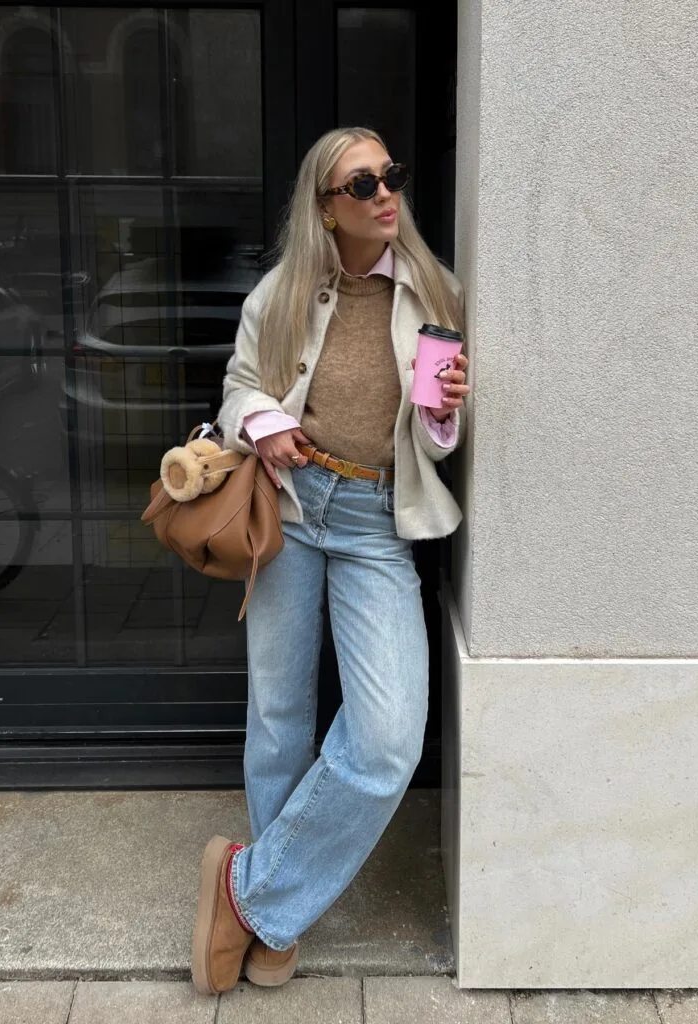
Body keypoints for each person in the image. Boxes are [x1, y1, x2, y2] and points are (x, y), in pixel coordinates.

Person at [190, 127, 470, 996]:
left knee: (386, 738)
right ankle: (282, 919)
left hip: (377, 520)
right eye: (362, 183)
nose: (385, 193)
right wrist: (265, 426)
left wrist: (443, 414)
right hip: (289, 508)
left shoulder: (434, 289)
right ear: (325, 205)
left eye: (391, 175)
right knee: (278, 714)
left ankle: (251, 896)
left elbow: (438, 433)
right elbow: (240, 387)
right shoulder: (282, 293)